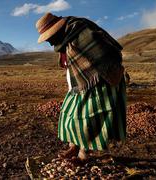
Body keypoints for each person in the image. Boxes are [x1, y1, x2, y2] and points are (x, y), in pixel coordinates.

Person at [35, 13, 126, 163]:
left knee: (90, 118)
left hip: (101, 82)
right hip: (80, 84)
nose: (50, 43)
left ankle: (84, 153)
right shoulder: (65, 38)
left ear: (57, 29)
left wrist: (103, 75)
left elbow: (103, 55)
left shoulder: (82, 32)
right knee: (70, 115)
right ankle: (74, 147)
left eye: (50, 37)